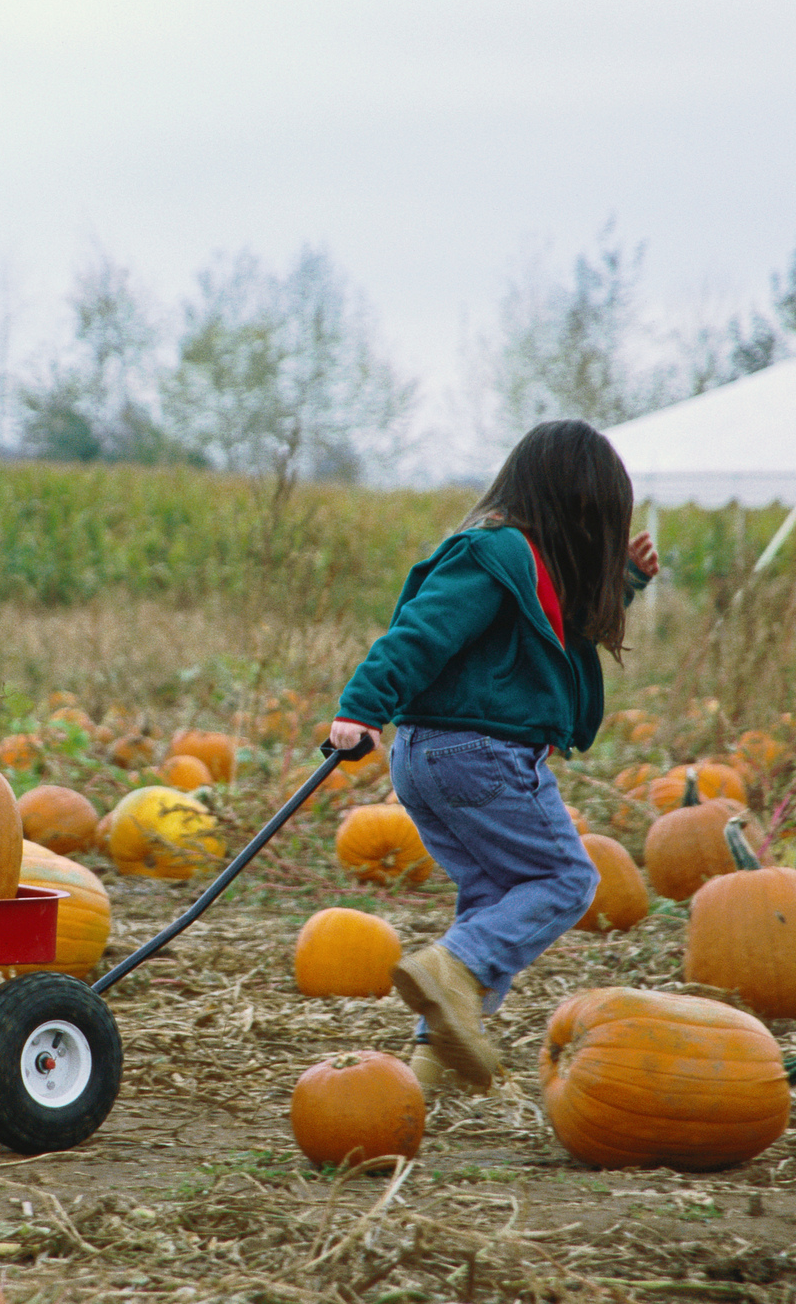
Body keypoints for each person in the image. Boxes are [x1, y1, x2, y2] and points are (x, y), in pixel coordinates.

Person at [327, 420, 657, 1094]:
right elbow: (418, 632)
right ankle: (454, 969)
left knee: (493, 896)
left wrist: (623, 582)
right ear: (573, 507)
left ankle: (435, 1062)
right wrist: (361, 707)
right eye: (598, 521)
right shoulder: (488, 554)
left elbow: (558, 632)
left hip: (433, 759)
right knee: (566, 880)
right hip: (480, 754)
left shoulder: (525, 563)